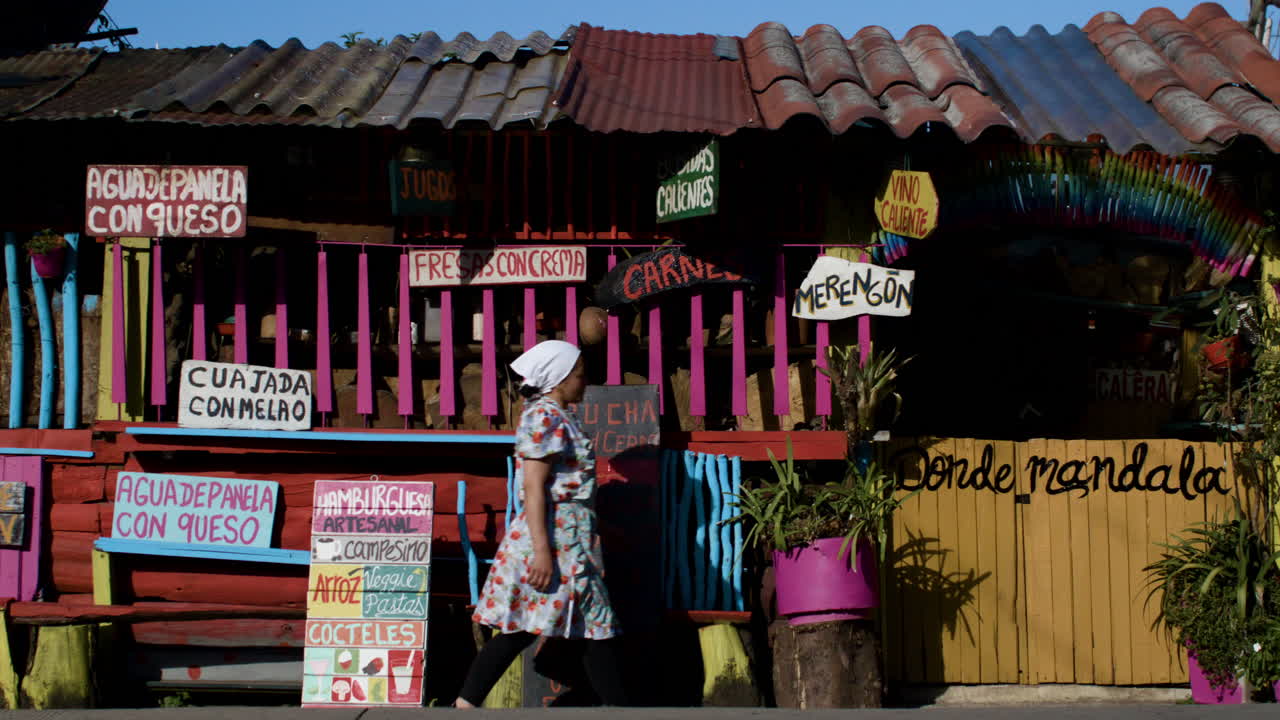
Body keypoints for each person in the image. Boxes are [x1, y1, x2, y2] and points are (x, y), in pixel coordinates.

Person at [455, 340, 627, 708]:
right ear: (559, 378)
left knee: (588, 627)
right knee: (529, 628)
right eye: (579, 375)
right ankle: (465, 705)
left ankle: (617, 710)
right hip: (553, 541)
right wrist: (542, 552)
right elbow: (533, 487)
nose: (584, 382)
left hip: (572, 542)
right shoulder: (545, 417)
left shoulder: (561, 416)